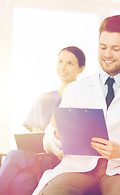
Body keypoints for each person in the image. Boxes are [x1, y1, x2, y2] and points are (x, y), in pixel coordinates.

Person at [33, 15, 120, 195]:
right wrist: (58, 135)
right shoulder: (76, 88)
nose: (107, 54)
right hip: (77, 168)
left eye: (115, 49)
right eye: (103, 47)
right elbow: (49, 143)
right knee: (56, 191)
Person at [0, 46, 86, 195]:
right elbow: (35, 134)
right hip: (38, 156)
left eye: (70, 63)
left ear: (81, 68)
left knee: (14, 155)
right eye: (60, 62)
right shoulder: (44, 98)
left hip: (63, 160)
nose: (63, 67)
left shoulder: (83, 101)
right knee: (22, 182)